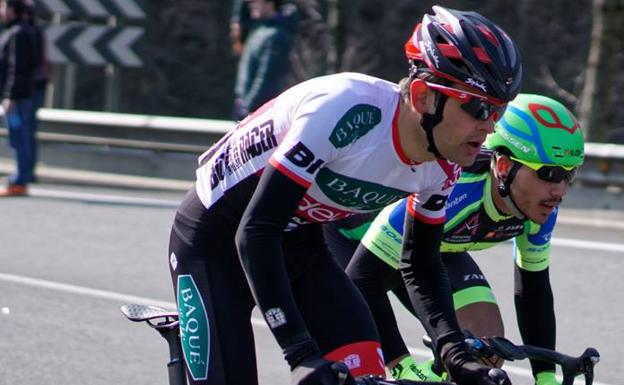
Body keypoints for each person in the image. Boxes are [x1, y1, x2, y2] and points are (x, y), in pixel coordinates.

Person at [168, 5, 520, 385]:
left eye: (499, 112)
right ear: (422, 97)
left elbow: (420, 261)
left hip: (298, 244)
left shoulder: (446, 160)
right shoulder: (346, 112)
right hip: (214, 242)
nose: (489, 127)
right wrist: (300, 354)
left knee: (364, 375)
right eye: (479, 107)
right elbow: (255, 232)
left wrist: (455, 355)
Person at [340, 94, 584, 385]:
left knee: (485, 346)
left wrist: (545, 378)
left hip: (429, 249)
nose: (559, 191)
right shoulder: (453, 188)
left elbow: (534, 292)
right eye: (549, 173)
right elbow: (362, 280)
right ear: (504, 167)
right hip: (351, 241)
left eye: (569, 175)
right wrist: (401, 364)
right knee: (362, 365)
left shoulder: (539, 208)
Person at [232, 0, 298, 120]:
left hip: (257, 113)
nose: (251, 4)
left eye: (255, 1)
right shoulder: (258, 30)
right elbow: (241, 17)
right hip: (246, 107)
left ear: (270, 3)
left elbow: (267, 79)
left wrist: (247, 109)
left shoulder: (276, 36)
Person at [0, 0, 36, 197]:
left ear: (13, 10)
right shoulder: (23, 31)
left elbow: (16, 68)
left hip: (17, 97)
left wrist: (10, 96)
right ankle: (21, 178)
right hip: (20, 95)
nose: (2, 12)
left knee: (18, 138)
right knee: (20, 137)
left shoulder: (18, 34)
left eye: (4, 8)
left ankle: (20, 180)